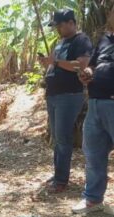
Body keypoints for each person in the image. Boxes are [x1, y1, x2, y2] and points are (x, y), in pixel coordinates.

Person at [39, 9, 93, 193]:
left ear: (71, 22)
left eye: (60, 25)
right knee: (57, 137)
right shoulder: (61, 42)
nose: (58, 30)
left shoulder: (81, 40)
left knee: (63, 137)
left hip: (69, 95)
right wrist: (48, 63)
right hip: (54, 95)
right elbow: (55, 63)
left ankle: (61, 180)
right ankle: (58, 174)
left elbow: (81, 64)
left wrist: (55, 63)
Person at [72, 5, 114, 214]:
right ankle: (93, 200)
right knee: (93, 153)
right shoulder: (105, 39)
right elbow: (94, 64)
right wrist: (87, 72)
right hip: (96, 104)